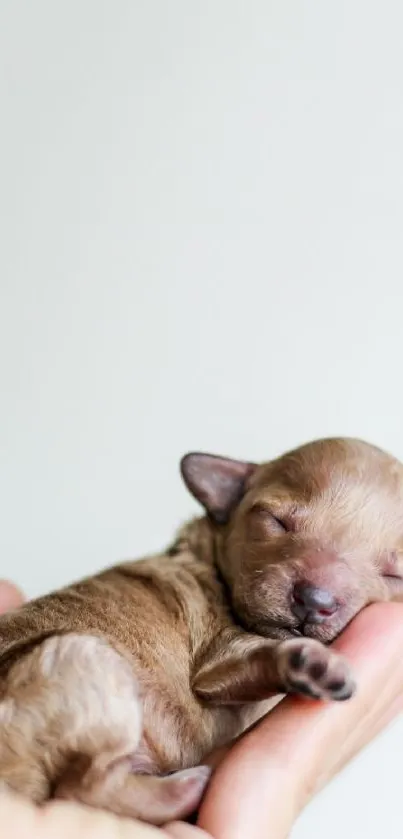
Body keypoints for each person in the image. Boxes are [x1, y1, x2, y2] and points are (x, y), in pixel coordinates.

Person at [0, 580, 402, 839]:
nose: (320, 592)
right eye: (280, 523)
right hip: (34, 727)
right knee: (80, 664)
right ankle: (102, 785)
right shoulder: (195, 583)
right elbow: (214, 676)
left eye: (392, 573)